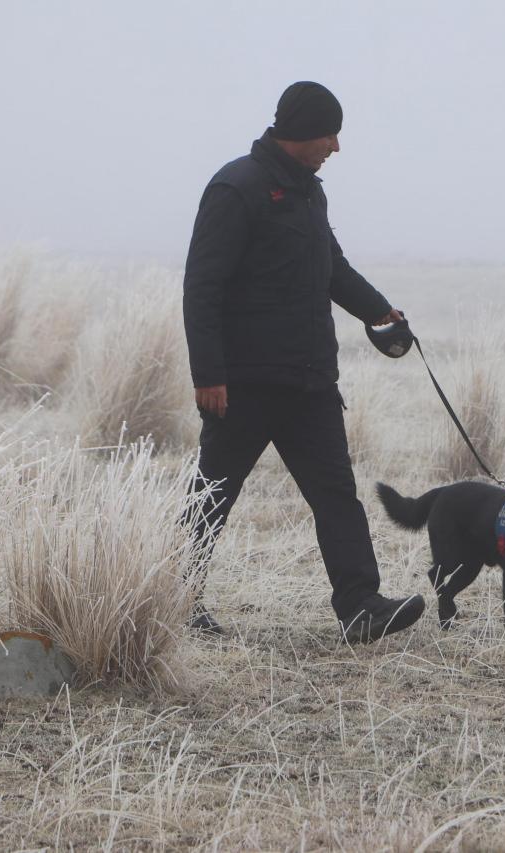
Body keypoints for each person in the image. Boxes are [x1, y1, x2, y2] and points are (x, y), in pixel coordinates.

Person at [181, 81, 425, 643]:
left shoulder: (309, 194)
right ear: (301, 132)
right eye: (329, 134)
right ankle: (169, 598)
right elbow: (202, 287)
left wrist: (380, 309)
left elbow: (332, 269)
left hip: (310, 381)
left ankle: (361, 606)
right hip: (243, 384)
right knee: (213, 495)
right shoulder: (236, 187)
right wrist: (208, 374)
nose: (335, 147)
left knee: (336, 493)